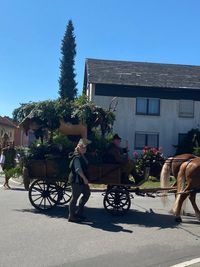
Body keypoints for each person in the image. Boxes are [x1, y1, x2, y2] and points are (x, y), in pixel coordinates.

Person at [68, 138, 91, 223]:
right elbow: (78, 170)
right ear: (78, 147)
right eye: (82, 147)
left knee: (87, 194)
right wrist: (85, 179)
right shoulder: (77, 157)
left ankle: (79, 212)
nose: (84, 149)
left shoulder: (82, 155)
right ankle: (71, 216)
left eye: (85, 148)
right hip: (77, 181)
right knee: (74, 198)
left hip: (82, 180)